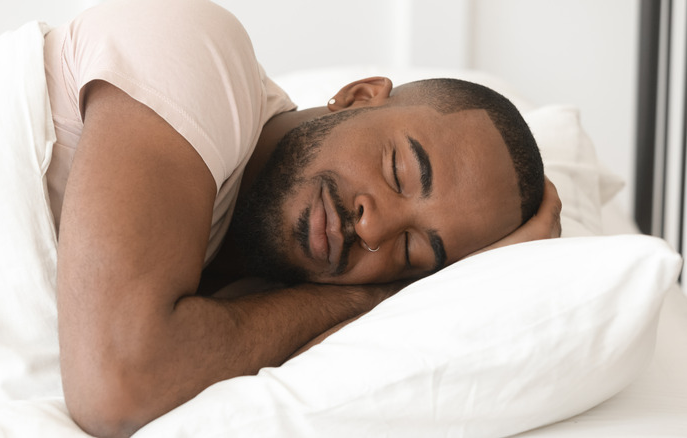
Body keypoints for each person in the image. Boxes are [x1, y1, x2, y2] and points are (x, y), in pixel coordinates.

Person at [43, 0, 561, 436]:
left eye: (412, 251)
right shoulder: (194, 50)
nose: (374, 229)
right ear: (357, 97)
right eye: (399, 171)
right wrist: (375, 294)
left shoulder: (271, 294)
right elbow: (119, 387)